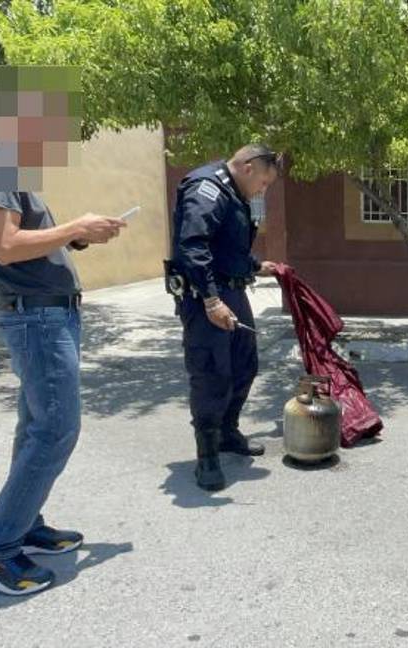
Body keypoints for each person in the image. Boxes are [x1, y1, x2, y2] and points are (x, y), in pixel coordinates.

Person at [0, 155, 126, 595]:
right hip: (38, 318)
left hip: (44, 315)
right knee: (54, 432)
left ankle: (24, 525)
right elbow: (5, 246)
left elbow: (23, 242)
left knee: (35, 426)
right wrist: (73, 228)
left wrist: (79, 238)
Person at [168, 144, 280, 491]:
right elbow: (193, 245)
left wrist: (256, 266)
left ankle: (227, 432)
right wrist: (212, 301)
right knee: (212, 373)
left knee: (245, 364)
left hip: (231, 290)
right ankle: (207, 456)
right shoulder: (207, 188)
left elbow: (226, 247)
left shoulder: (231, 192)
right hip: (207, 296)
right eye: (263, 182)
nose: (262, 189)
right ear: (247, 167)